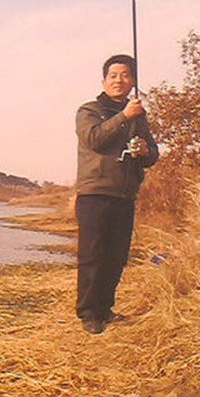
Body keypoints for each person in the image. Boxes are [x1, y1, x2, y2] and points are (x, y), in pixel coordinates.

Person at [75, 54, 159, 334]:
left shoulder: (138, 115)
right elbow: (95, 139)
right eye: (113, 75)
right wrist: (124, 116)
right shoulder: (89, 111)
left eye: (125, 75)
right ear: (104, 80)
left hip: (125, 194)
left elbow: (152, 155)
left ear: (132, 81)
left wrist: (145, 151)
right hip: (95, 192)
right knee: (93, 255)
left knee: (116, 255)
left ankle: (105, 310)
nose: (119, 80)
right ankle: (89, 314)